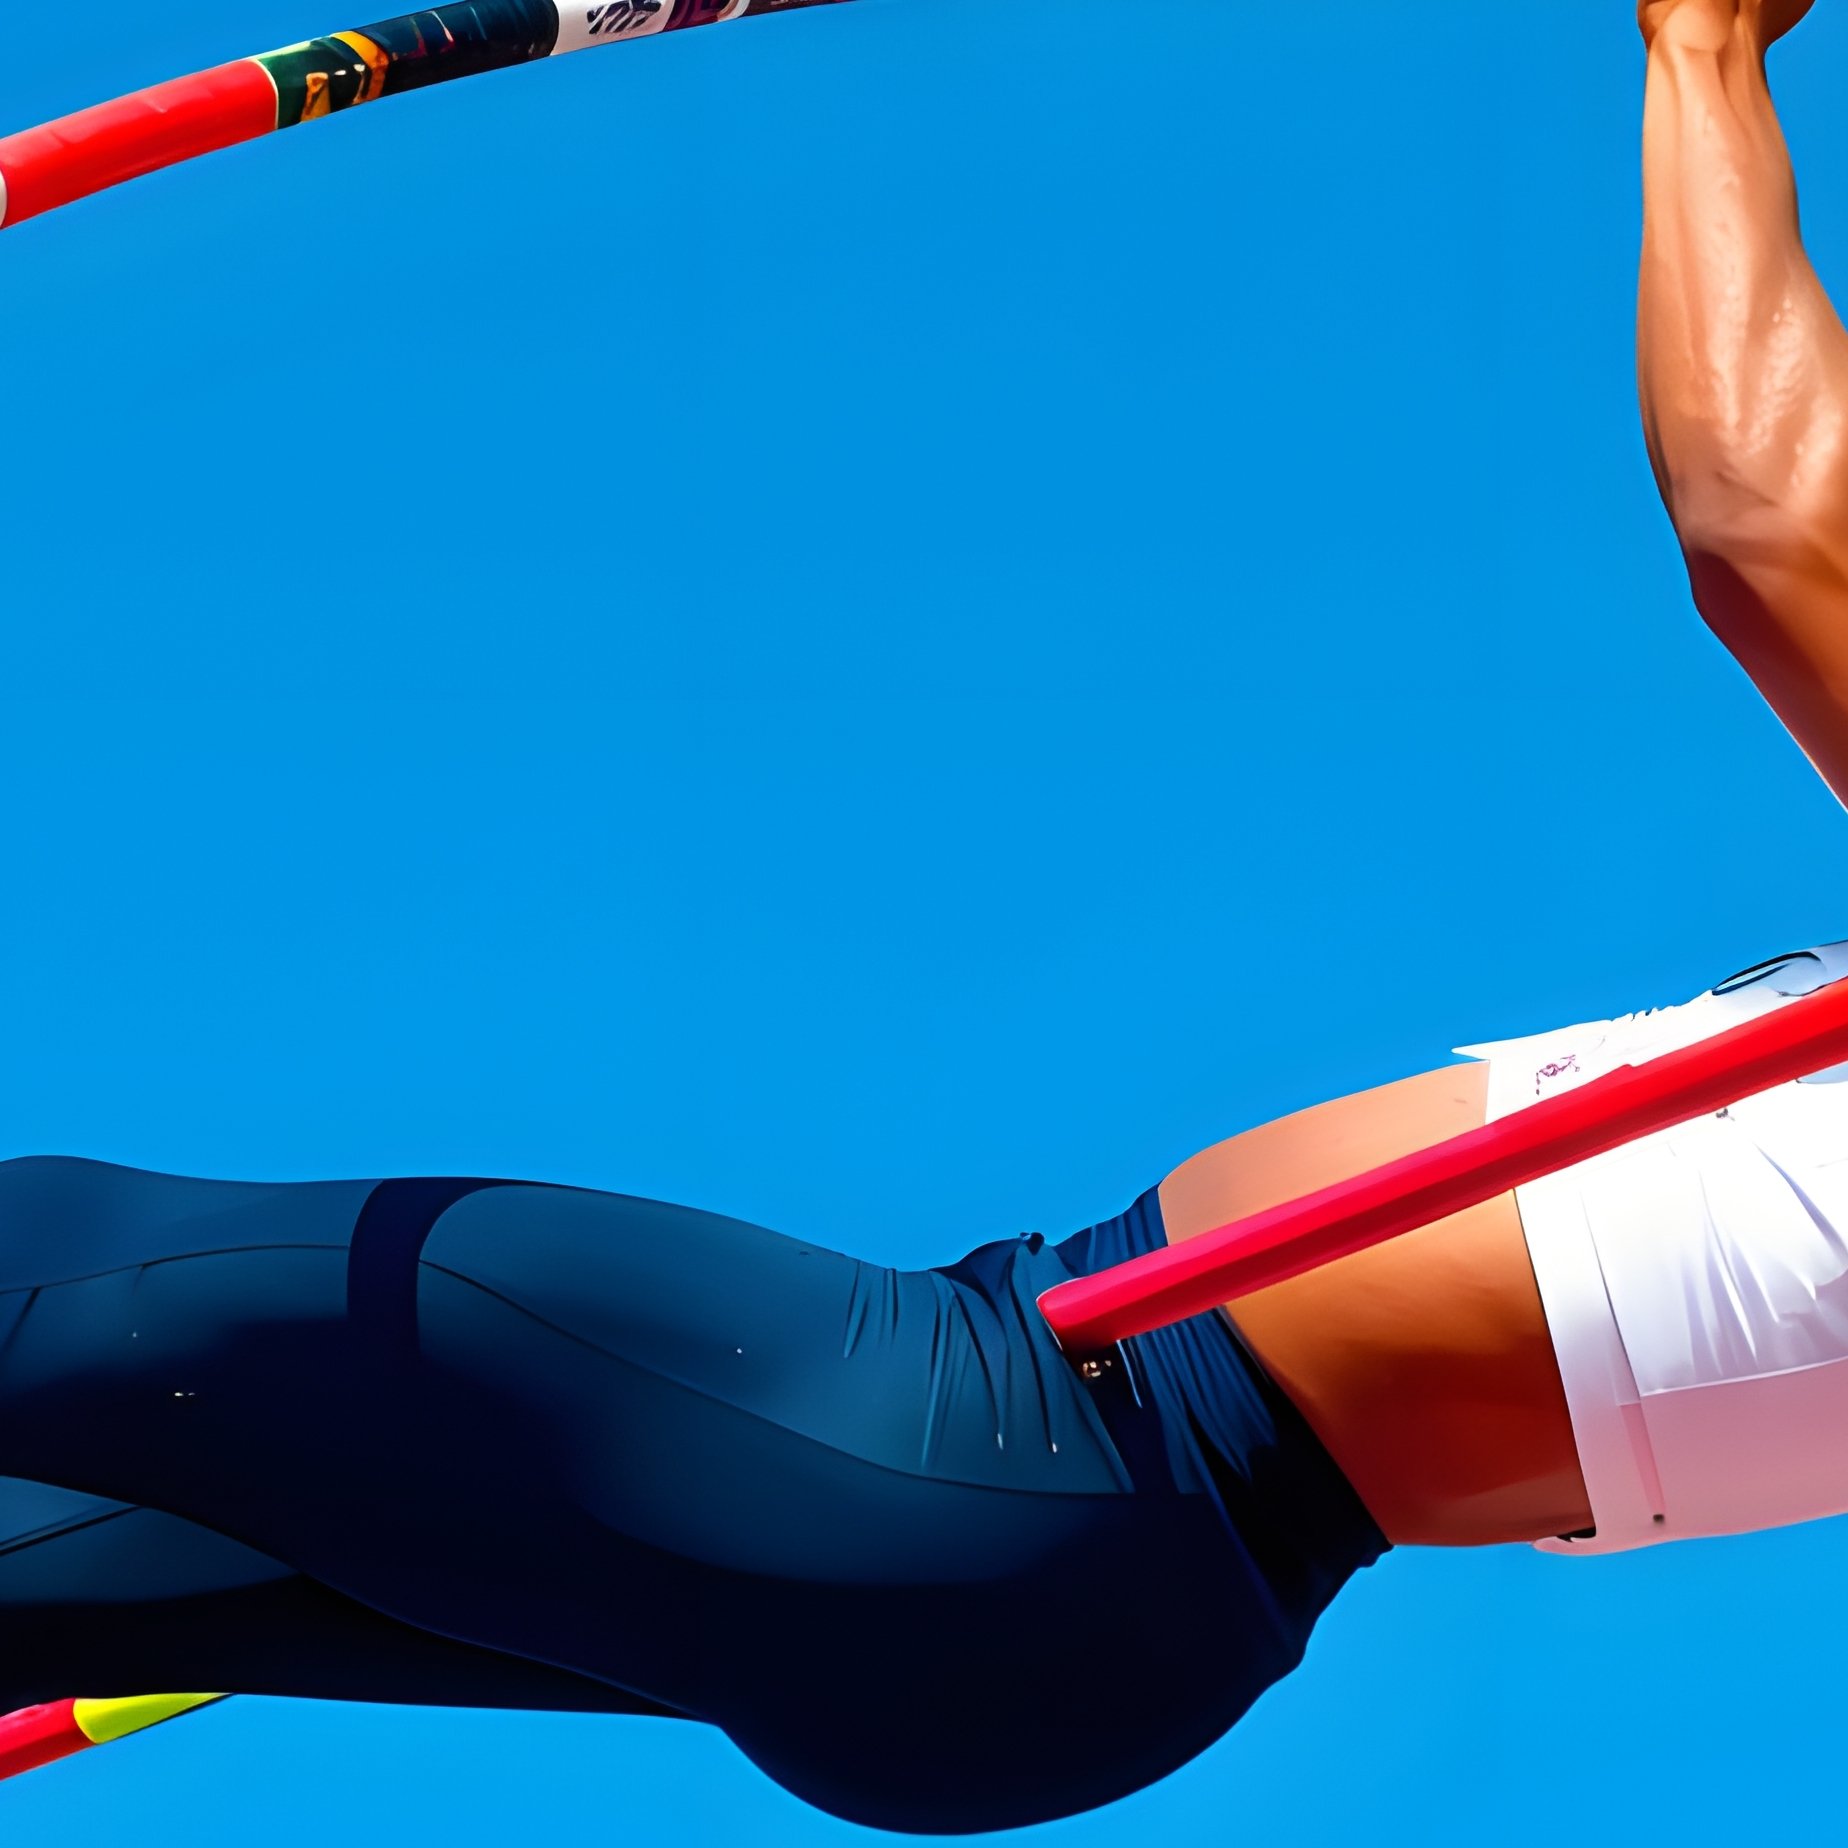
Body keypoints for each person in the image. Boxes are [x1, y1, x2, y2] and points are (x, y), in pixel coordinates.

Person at [2, 0, 1844, 1829]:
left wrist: (1701, 51)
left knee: (56, 1272)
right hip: (1104, 1619)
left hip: (1016, 1455)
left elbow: (1769, 524)